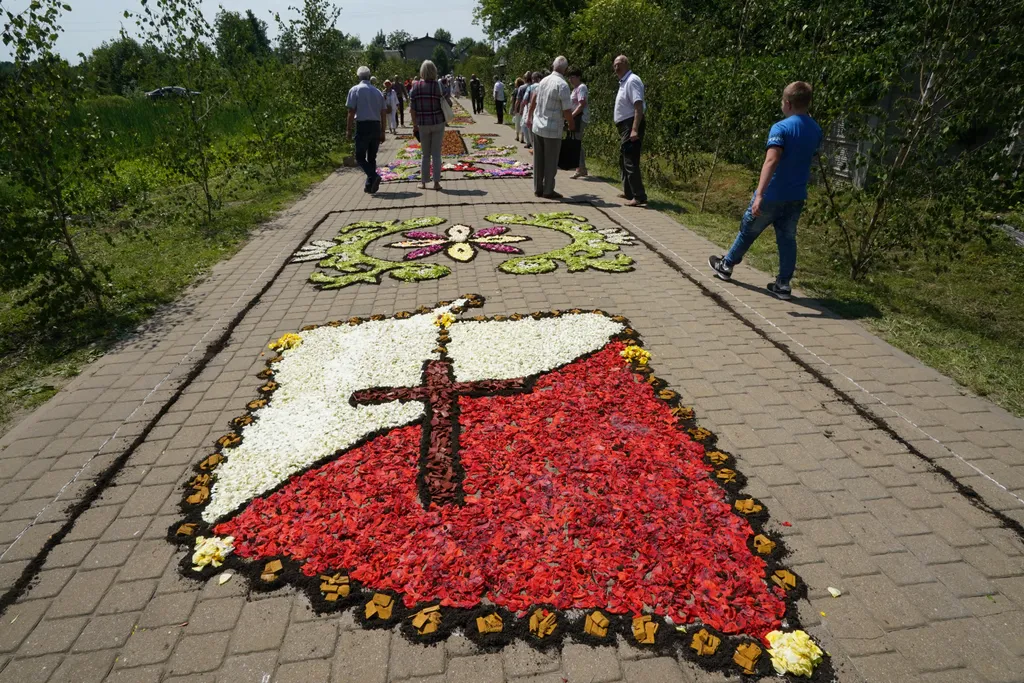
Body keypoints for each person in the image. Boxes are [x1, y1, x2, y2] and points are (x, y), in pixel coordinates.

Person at [709, 81, 822, 300]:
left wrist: (759, 194)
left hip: (773, 193)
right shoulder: (816, 129)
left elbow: (772, 160)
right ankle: (783, 284)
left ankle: (726, 265)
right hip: (796, 195)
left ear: (787, 103)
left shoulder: (781, 128)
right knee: (787, 239)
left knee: (748, 230)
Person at [528, 56, 575, 199]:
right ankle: (548, 190)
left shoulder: (543, 81)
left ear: (553, 66)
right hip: (552, 128)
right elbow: (567, 110)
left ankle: (538, 188)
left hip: (538, 126)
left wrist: (530, 116)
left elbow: (534, 99)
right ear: (565, 69)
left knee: (538, 160)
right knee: (551, 161)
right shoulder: (562, 84)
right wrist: (572, 125)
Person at [409, 59, 451, 192]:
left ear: (422, 72)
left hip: (422, 124)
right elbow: (449, 102)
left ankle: (423, 182)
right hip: (438, 122)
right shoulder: (439, 86)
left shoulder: (415, 87)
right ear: (434, 71)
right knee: (436, 154)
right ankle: (437, 183)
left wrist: (415, 125)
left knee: (425, 154)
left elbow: (412, 109)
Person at [613, 55, 647, 206]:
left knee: (630, 160)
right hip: (624, 125)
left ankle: (639, 196)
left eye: (619, 64)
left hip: (630, 124)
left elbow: (638, 106)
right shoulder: (623, 82)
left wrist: (634, 129)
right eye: (614, 65)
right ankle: (629, 192)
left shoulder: (632, 80)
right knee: (624, 159)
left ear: (626, 64)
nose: (616, 67)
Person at [346, 66, 387, 194]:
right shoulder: (377, 91)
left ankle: (373, 176)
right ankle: (370, 185)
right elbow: (383, 112)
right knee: (372, 157)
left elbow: (351, 111)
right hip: (375, 125)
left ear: (358, 77)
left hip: (363, 126)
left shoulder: (355, 90)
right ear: (369, 76)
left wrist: (348, 129)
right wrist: (382, 131)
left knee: (359, 157)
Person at [567, 66, 589, 178]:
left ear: (579, 77)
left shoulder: (581, 87)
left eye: (573, 77)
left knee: (577, 143)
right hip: (575, 118)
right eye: (569, 77)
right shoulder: (575, 89)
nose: (571, 79)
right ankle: (581, 167)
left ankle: (580, 168)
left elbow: (581, 105)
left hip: (580, 118)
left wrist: (571, 116)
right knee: (576, 143)